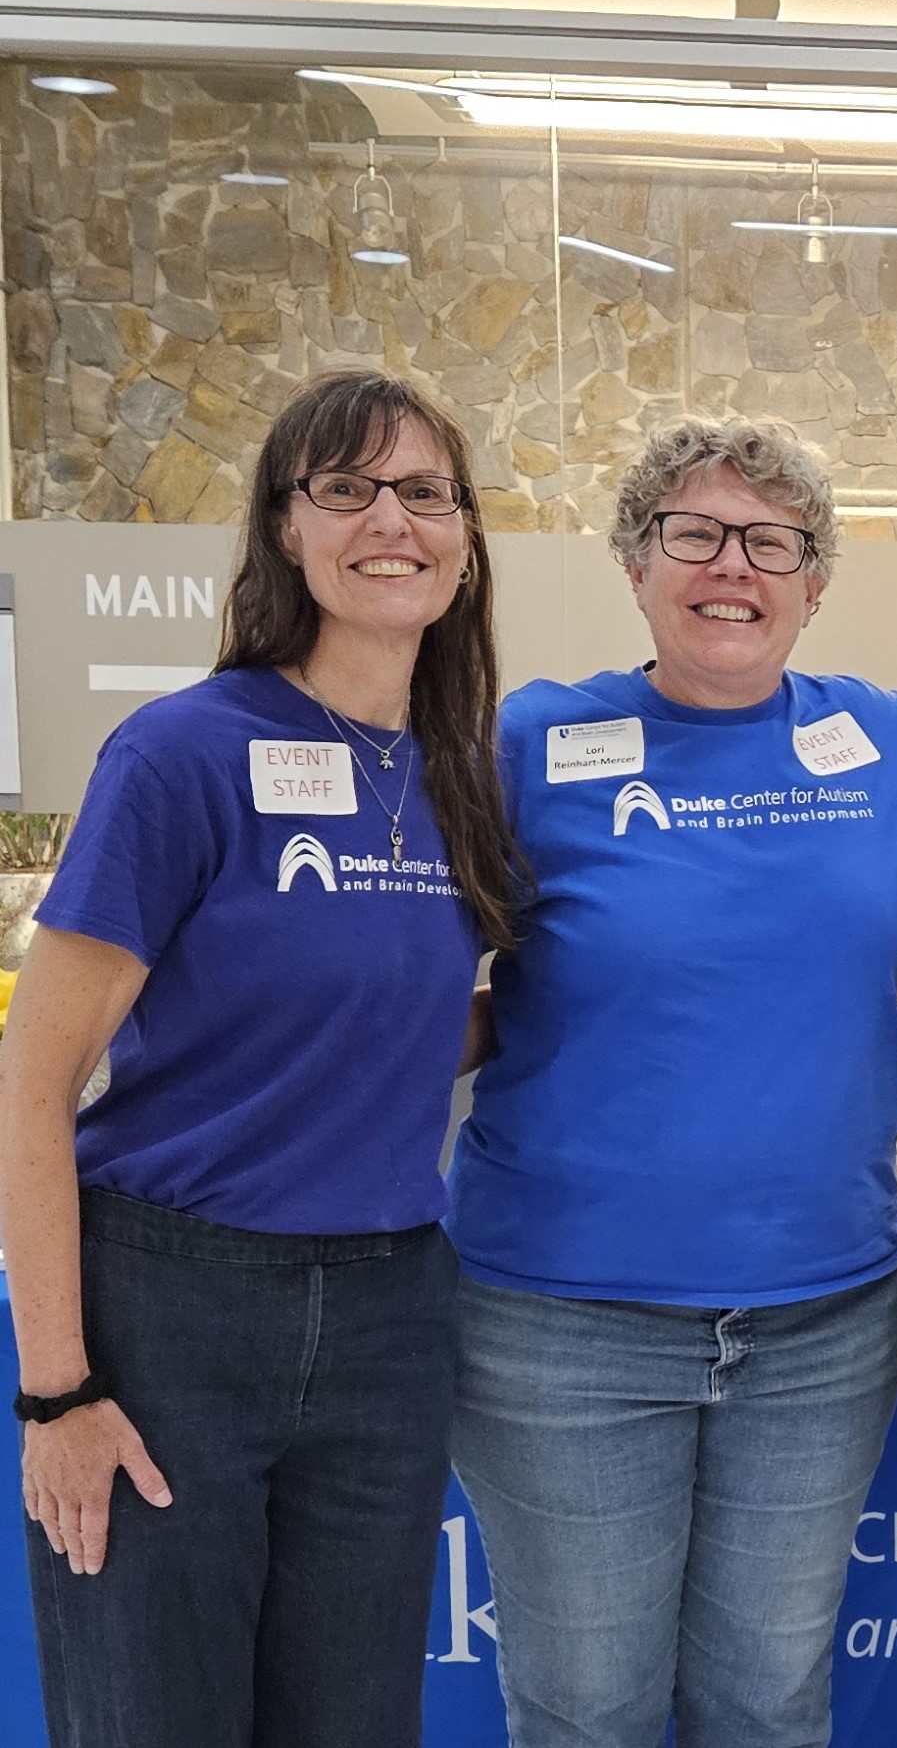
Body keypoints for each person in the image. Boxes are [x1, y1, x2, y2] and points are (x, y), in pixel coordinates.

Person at [0, 369, 520, 1744]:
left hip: (391, 1314)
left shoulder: (459, 769)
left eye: (423, 490)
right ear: (287, 531)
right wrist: (56, 1385)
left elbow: (410, 1019)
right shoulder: (182, 755)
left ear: (465, 536)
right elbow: (32, 1080)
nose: (389, 520)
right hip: (174, 1309)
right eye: (345, 489)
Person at [445, 419, 897, 1748]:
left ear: (815, 580)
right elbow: (406, 971)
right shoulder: (531, 745)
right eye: (694, 531)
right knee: (586, 1711)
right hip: (564, 1323)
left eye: (770, 541)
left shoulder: (893, 745)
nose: (733, 565)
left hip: (821, 1324)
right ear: (635, 560)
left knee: (767, 1707)